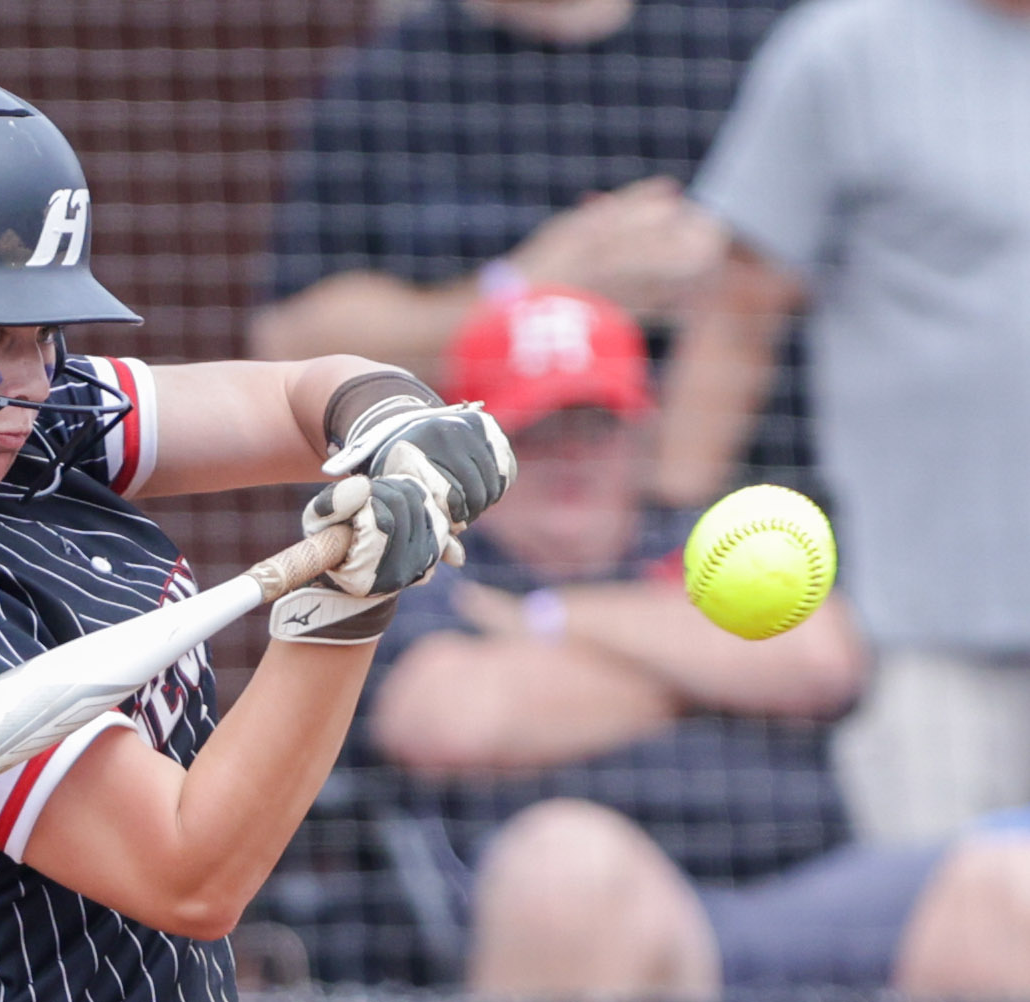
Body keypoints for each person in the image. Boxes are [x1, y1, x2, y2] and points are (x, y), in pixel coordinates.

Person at [0, 61, 515, 1002]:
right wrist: (345, 605)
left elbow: (302, 397)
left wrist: (392, 426)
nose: (37, 379)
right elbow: (190, 872)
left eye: (41, 334)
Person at [293, 284, 1030, 994]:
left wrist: (548, 623)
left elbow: (822, 658)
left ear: (639, 432)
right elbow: (452, 718)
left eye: (596, 424)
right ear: (471, 454)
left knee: (1009, 884)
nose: (571, 457)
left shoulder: (702, 540)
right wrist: (704, 668)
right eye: (537, 432)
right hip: (597, 910)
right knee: (569, 865)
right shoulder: (437, 563)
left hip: (804, 894)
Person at [652, 0, 1030, 843]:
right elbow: (738, 312)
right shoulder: (848, 48)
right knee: (954, 944)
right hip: (926, 640)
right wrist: (667, 531)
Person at [249, 0, 781, 392]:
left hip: (733, 512)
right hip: (470, 515)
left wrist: (721, 268)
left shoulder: (750, 42)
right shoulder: (393, 79)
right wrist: (523, 290)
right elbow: (287, 345)